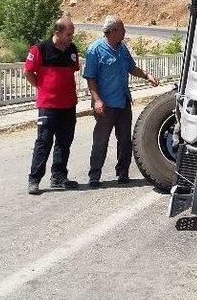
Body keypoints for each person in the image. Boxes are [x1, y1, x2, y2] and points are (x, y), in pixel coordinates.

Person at [83, 15, 159, 187]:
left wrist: (147, 75)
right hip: (105, 104)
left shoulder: (122, 48)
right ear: (113, 31)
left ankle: (122, 172)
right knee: (100, 140)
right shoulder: (95, 50)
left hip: (123, 101)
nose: (125, 32)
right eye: (122, 29)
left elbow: (131, 67)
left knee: (125, 140)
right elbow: (90, 77)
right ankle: (94, 175)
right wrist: (96, 100)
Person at [24, 16, 80, 195]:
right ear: (57, 33)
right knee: (43, 142)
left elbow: (73, 71)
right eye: (69, 34)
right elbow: (28, 72)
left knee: (64, 143)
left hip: (69, 105)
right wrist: (42, 87)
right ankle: (34, 180)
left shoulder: (72, 49)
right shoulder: (40, 49)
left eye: (72, 33)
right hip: (48, 106)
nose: (71, 37)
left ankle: (58, 177)